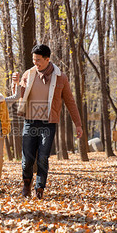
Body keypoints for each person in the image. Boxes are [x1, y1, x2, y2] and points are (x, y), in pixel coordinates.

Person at [17, 44, 83, 199]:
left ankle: (39, 189)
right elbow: (18, 96)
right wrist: (16, 83)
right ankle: (27, 184)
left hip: (48, 123)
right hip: (30, 122)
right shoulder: (28, 74)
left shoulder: (60, 77)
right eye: (34, 59)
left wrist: (78, 124)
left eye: (38, 60)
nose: (35, 63)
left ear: (47, 59)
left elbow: (70, 101)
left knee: (42, 157)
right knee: (27, 159)